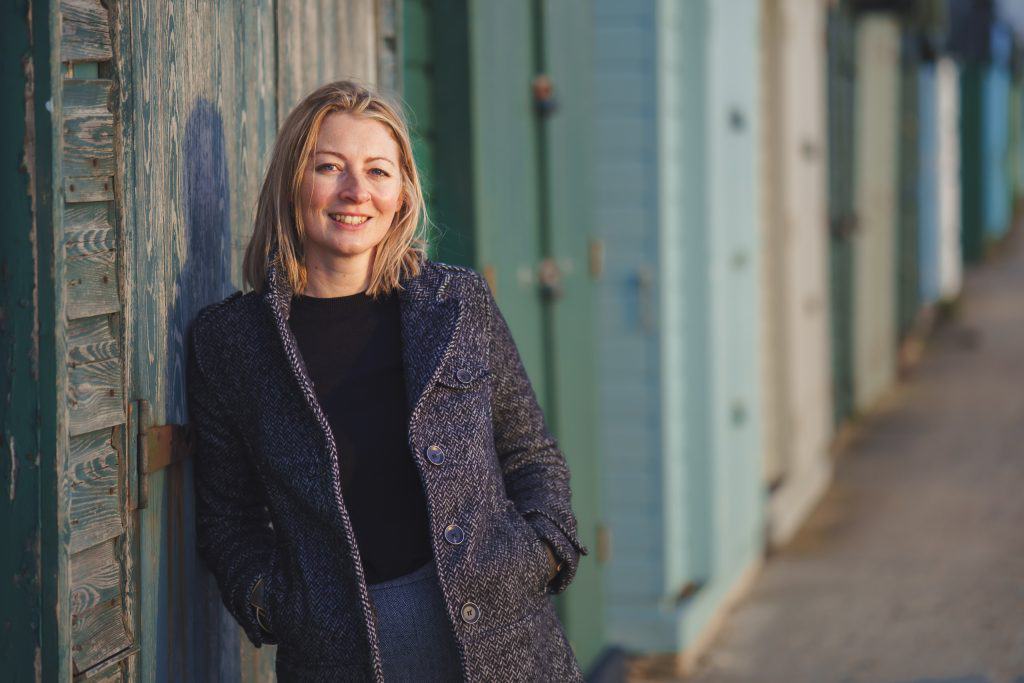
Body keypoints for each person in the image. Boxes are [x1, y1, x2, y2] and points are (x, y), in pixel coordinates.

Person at [187, 79, 589, 682]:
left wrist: (541, 552)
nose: (356, 192)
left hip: (506, 635)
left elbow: (530, 454)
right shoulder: (232, 344)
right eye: (330, 167)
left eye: (378, 171)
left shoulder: (457, 304)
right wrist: (281, 610)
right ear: (293, 182)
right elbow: (228, 520)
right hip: (340, 655)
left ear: (403, 193)